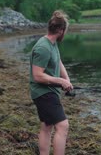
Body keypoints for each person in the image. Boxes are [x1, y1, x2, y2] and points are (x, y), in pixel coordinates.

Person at [29, 10, 73, 155]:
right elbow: (38, 76)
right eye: (65, 31)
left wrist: (66, 80)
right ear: (60, 30)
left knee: (47, 126)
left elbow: (58, 61)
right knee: (63, 126)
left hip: (49, 91)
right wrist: (60, 81)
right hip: (43, 92)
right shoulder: (43, 48)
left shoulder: (52, 44)